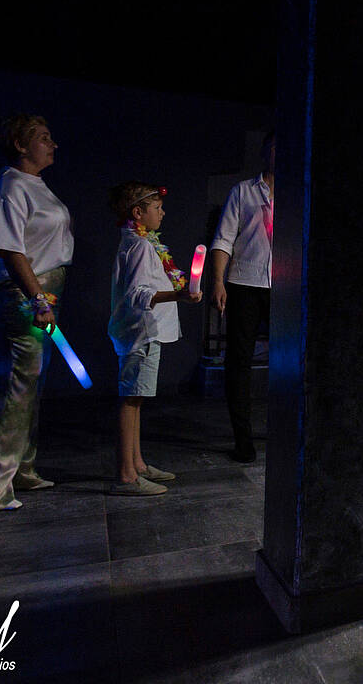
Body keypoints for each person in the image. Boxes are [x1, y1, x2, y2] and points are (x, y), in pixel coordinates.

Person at [0, 114, 74, 512]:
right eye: (44, 138)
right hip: (19, 294)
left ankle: (20, 469)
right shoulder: (7, 186)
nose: (53, 144)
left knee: (32, 383)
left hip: (41, 290)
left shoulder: (35, 185)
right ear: (20, 145)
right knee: (16, 385)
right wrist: (37, 299)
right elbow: (11, 249)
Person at [107, 183, 200, 496]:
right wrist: (180, 295)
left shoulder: (141, 243)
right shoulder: (140, 246)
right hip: (142, 333)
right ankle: (126, 475)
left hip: (145, 333)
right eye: (156, 207)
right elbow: (137, 295)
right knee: (131, 399)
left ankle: (137, 464)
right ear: (138, 213)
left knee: (136, 399)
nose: (162, 212)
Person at [209, 130, 274, 464]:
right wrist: (218, 281)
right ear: (265, 151)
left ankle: (285, 429)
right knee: (239, 361)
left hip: (285, 288)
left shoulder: (300, 192)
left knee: (290, 361)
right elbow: (223, 238)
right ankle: (242, 438)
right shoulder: (244, 192)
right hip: (245, 282)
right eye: (275, 148)